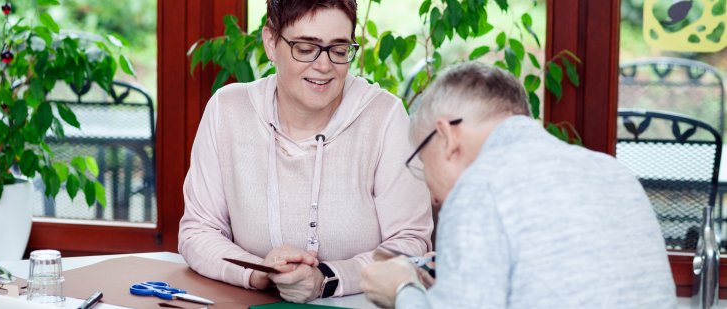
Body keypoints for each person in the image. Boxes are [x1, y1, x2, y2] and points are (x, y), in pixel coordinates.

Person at [360, 62, 677, 308]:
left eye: (423, 163)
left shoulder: (480, 187)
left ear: (446, 136)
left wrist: (402, 289)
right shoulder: (615, 173)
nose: (432, 194)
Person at [178, 0, 433, 304]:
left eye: (339, 50)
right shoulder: (228, 110)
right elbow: (198, 230)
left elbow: (411, 242)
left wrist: (325, 278)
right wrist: (259, 272)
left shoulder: (385, 116)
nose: (324, 66)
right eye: (305, 48)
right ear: (271, 42)